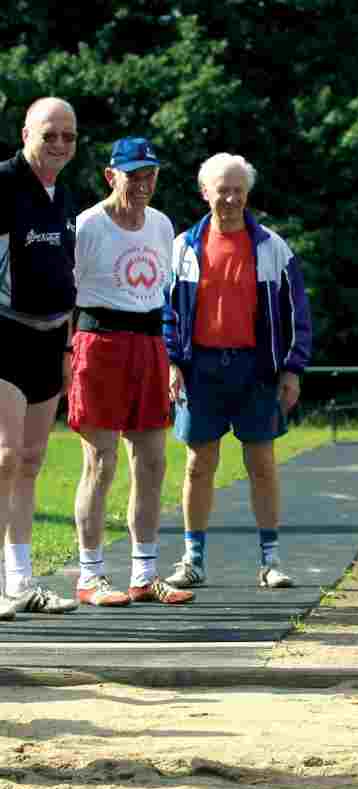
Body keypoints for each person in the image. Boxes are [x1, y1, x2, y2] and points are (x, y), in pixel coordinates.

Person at [163, 153, 312, 589]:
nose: (229, 199)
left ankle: (271, 561)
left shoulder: (272, 247)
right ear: (204, 191)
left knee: (262, 463)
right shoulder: (182, 246)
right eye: (221, 190)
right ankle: (192, 560)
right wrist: (173, 361)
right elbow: (167, 313)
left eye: (238, 191)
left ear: (247, 195)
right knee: (198, 464)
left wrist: (292, 368)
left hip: (256, 369)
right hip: (200, 368)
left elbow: (297, 313)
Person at [70, 137, 193, 606]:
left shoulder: (162, 225)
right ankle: (90, 576)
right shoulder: (86, 226)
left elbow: (162, 296)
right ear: (111, 175)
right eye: (133, 174)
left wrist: (170, 359)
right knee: (101, 463)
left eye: (150, 174)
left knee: (154, 462)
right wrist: (66, 356)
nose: (143, 183)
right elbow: (67, 297)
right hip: (98, 343)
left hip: (149, 345)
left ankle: (144, 574)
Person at [0, 98, 83, 619]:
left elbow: (70, 277)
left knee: (31, 462)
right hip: (3, 332)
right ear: (26, 132)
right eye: (49, 134)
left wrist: (70, 345)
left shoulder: (66, 197)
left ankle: (22, 580)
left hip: (50, 339)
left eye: (68, 137)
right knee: (4, 458)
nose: (58, 144)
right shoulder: (2, 182)